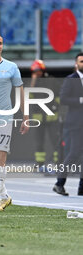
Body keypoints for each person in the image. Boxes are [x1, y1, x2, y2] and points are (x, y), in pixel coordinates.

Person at [0, 33, 29, 211]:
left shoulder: (11, 67)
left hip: (4, 117)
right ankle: (4, 195)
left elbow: (20, 91)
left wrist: (25, 116)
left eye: (0, 43)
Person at [53, 52, 83, 196]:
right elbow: (64, 99)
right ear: (76, 64)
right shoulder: (70, 79)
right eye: (82, 61)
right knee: (74, 153)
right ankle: (59, 183)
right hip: (75, 123)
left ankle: (81, 187)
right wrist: (80, 100)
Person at [30, 60, 60, 171]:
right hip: (38, 119)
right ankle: (39, 163)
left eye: (37, 71)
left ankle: (58, 162)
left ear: (42, 70)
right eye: (34, 71)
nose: (36, 73)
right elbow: (28, 98)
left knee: (55, 140)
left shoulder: (52, 80)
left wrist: (55, 106)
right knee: (39, 142)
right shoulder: (33, 83)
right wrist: (33, 83)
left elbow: (58, 96)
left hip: (52, 117)